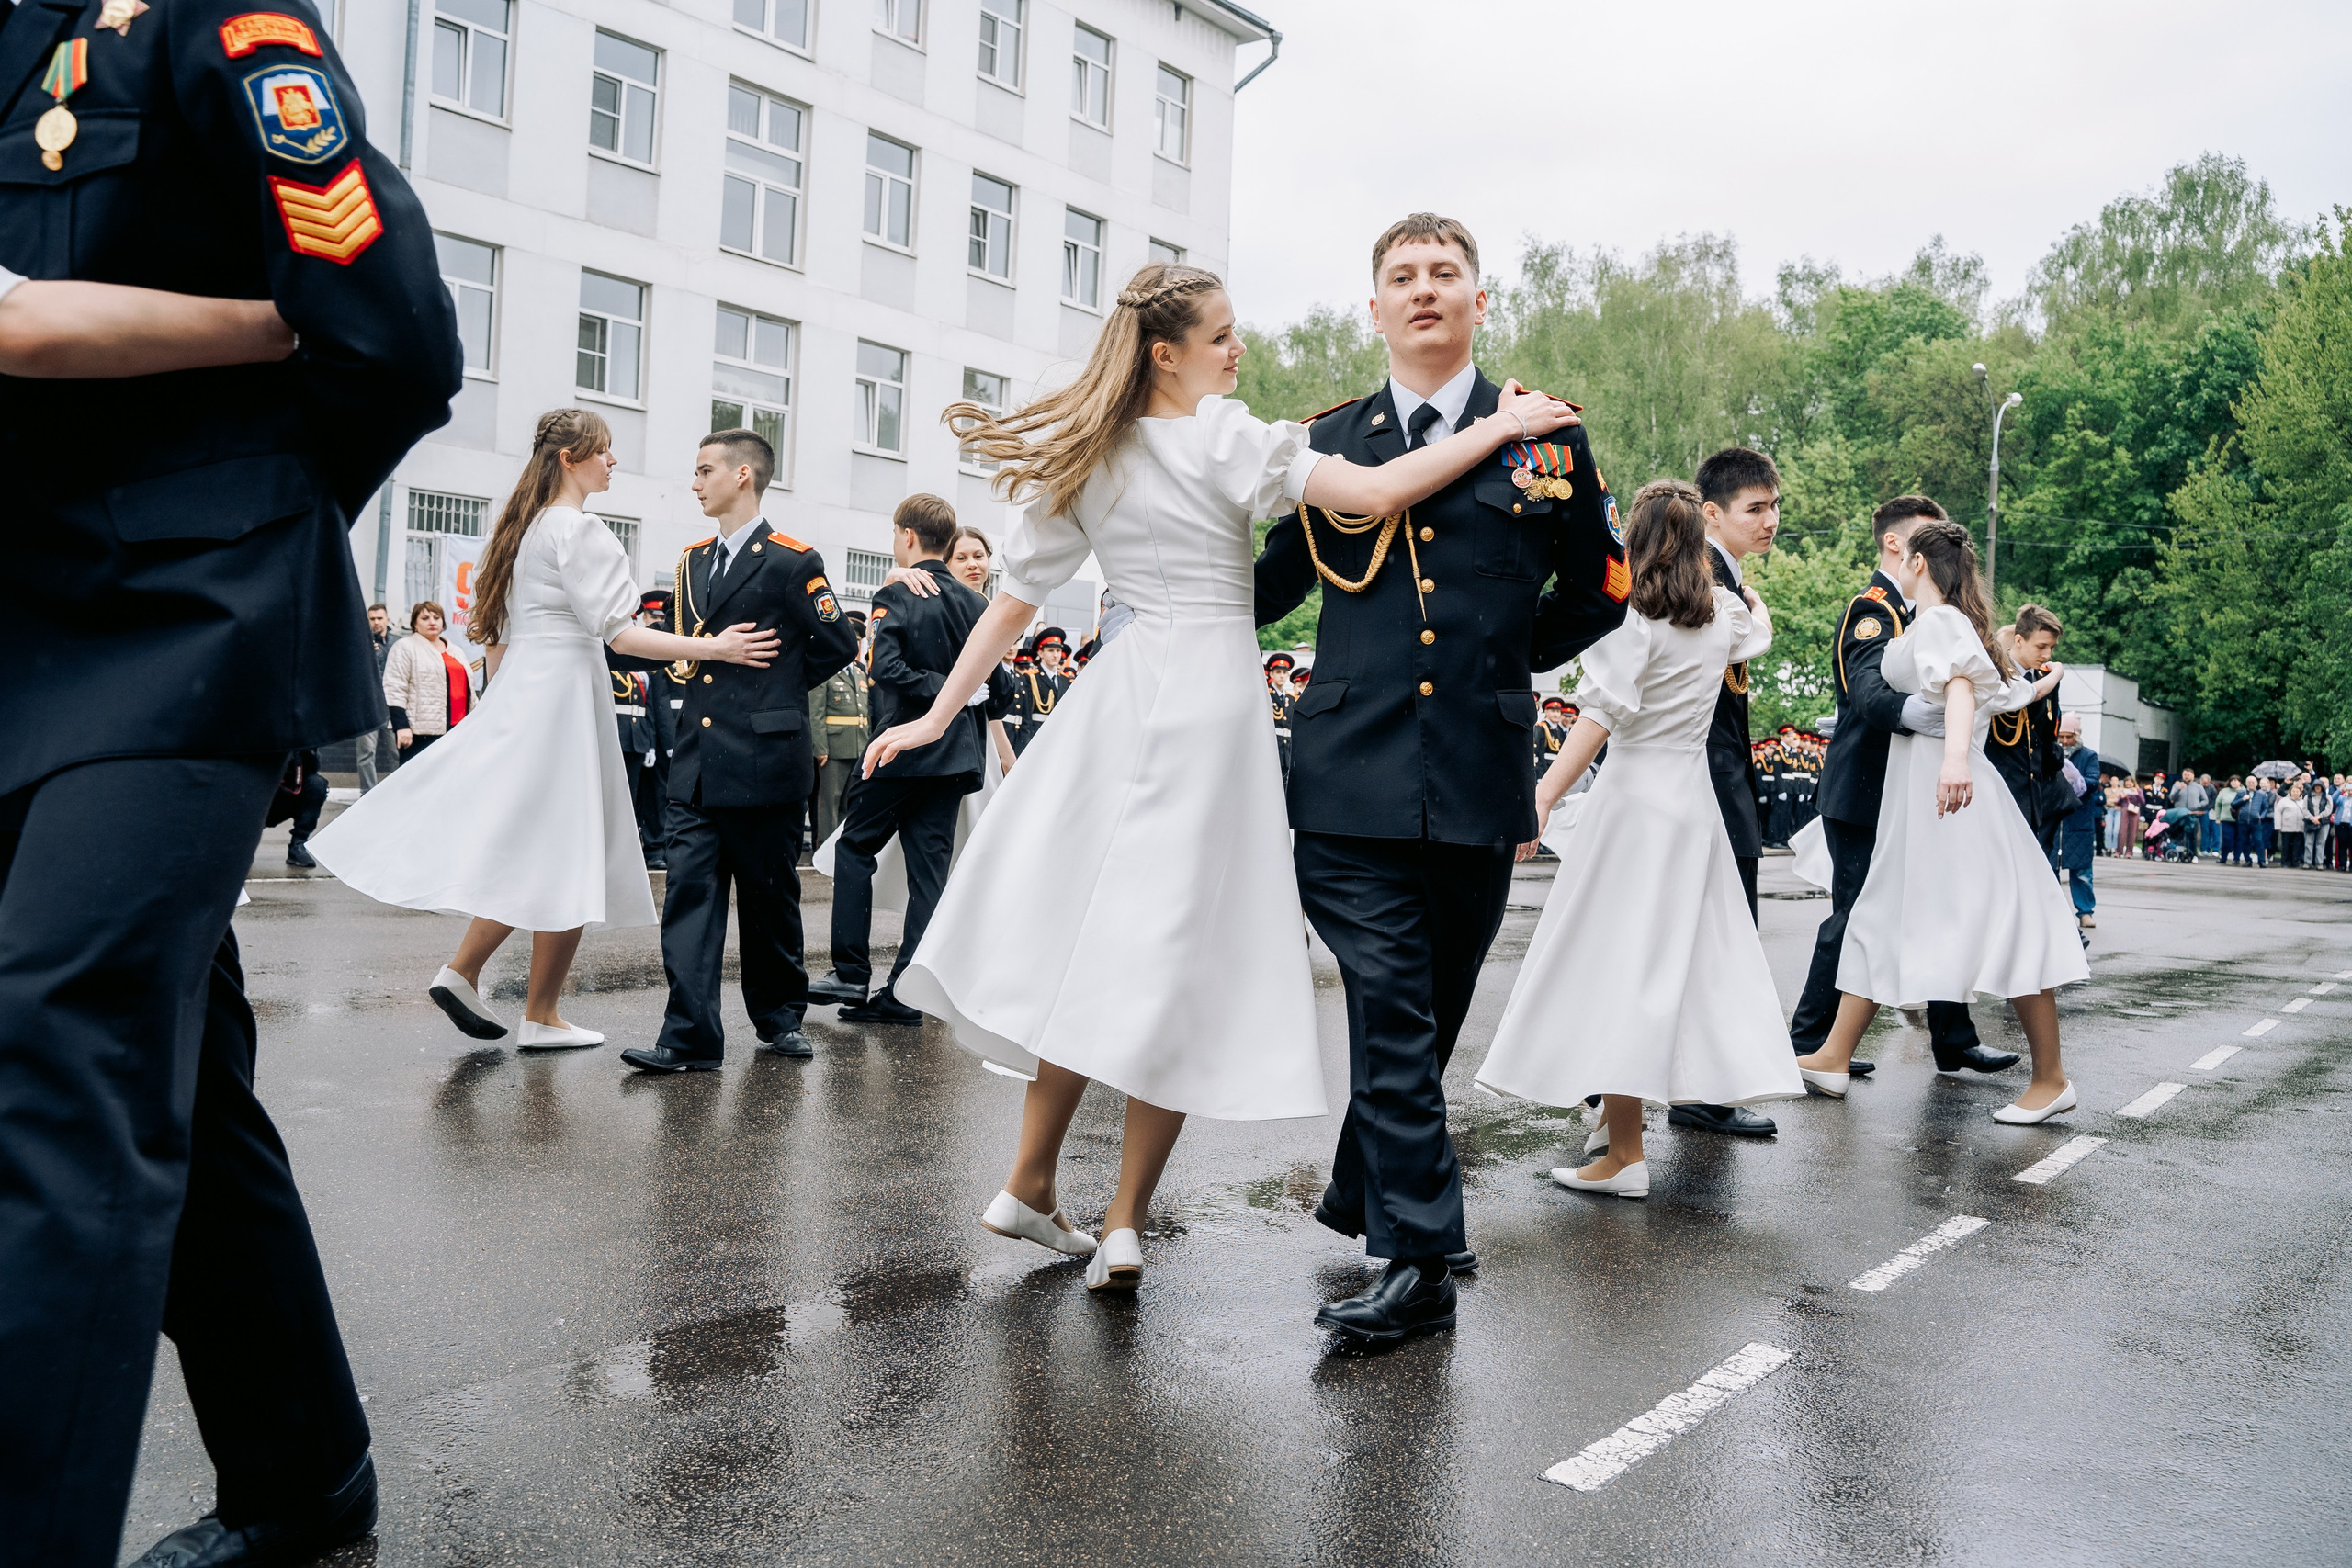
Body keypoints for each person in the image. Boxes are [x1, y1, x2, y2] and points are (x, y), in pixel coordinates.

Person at [863, 256, 1590, 1311]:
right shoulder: (1228, 437)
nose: (1239, 349)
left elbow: (1014, 599)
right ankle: (1119, 1222)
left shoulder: (1097, 452)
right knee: (1179, 959)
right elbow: (1380, 490)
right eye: (1222, 337)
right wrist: (1497, 430)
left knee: (1091, 942)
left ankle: (1031, 1183)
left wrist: (936, 714)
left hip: (1118, 700)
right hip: (1208, 706)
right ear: (1170, 353)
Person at [0, 8, 467, 1559]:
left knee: (56, 1043)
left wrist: (247, 531)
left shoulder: (206, 16)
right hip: (20, 618)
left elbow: (387, 329)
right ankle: (304, 1475)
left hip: (184, 610)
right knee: (167, 1067)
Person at [1254, 215, 1630, 1342]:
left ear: (1476, 299)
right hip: (1346, 769)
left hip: (1474, 762)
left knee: (1435, 1002)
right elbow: (1263, 590)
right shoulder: (1329, 441)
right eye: (1400, 278)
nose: (1423, 291)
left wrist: (1500, 661)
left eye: (1443, 275)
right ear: (1372, 308)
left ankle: (1366, 1189)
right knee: (1389, 1000)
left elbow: (1599, 590)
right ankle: (1416, 1253)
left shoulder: (1547, 442)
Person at [314, 411, 778, 1052]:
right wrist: (715, 648)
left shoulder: (524, 531)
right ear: (571, 458)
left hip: (528, 692)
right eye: (605, 452)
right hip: (565, 697)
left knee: (544, 849)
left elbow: (499, 643)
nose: (613, 462)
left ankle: (495, 986)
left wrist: (505, 713)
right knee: (571, 850)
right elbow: (621, 634)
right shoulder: (580, 531)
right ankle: (532, 1008)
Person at [1476, 480, 1803, 1197]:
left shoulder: (1633, 619)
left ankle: (1624, 1152)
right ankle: (1611, 1129)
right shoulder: (1719, 615)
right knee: (1666, 969)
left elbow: (1601, 715)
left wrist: (1542, 794)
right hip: (1691, 807)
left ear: (1640, 544)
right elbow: (1760, 627)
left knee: (1620, 968)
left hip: (1633, 806)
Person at [1795, 520, 2085, 1123]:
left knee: (2005, 924)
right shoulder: (1940, 623)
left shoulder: (1940, 623)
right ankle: (1832, 1054)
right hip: (1923, 804)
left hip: (1948, 802)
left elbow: (1960, 688)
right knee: (1879, 917)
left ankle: (2051, 1079)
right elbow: (1995, 695)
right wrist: (2034, 692)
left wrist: (1955, 757)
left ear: (1921, 563)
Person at [616, 431, 862, 1073]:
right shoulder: (692, 559)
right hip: (697, 759)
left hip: (764, 757)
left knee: (768, 896)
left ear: (743, 475)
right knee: (689, 897)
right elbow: (686, 643)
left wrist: (775, 689)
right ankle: (690, 1035)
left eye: (704, 470)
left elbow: (838, 643)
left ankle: (780, 1017)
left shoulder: (790, 559)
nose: (694, 482)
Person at [1785, 498, 2021, 1079]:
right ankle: (1808, 1041)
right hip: (1865, 788)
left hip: (1906, 787)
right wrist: (1923, 711)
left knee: (1930, 909)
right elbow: (1865, 690)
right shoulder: (1874, 608)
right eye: (1927, 538)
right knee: (1857, 916)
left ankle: (1952, 1037)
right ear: (1898, 546)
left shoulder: (1926, 611)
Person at [809, 495, 1013, 1025]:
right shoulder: (977, 604)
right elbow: (1003, 690)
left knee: (855, 847)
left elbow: (886, 666)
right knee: (930, 877)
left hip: (900, 750)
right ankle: (905, 996)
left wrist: (943, 689)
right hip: (956, 760)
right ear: (947, 543)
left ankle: (851, 973)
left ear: (905, 536)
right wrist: (964, 692)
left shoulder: (897, 590)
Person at [1986, 604, 2068, 864]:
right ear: (2018, 641)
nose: (2047, 654)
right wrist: (2055, 675)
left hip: (2032, 795)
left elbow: (2045, 736)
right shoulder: (1993, 673)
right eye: (2041, 646)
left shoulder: (2045, 678)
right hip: (1998, 789)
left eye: (2052, 648)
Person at [382, 600, 476, 757]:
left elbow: (470, 690)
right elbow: (394, 688)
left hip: (458, 729)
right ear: (415, 624)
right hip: (421, 731)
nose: (432, 622)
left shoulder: (456, 651)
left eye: (437, 617)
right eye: (425, 618)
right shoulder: (405, 647)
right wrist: (401, 726)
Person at [808, 627, 871, 848]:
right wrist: (820, 747)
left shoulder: (860, 673)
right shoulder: (826, 671)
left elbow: (865, 713)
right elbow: (816, 713)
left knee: (848, 800)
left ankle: (842, 845)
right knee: (829, 801)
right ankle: (825, 846)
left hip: (858, 745)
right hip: (833, 747)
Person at [2056, 714, 2100, 931]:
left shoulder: (2089, 756)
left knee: (2081, 870)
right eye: (2061, 736)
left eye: (2069, 737)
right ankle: (2051, 911)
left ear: (2077, 735)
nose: (2064, 741)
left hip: (2079, 820)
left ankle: (2085, 912)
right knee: (2048, 867)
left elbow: (2094, 781)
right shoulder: (2050, 753)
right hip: (2055, 819)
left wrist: (2077, 779)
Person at [358, 605, 398, 791]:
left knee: (396, 751)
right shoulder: (360, 642)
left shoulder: (397, 642)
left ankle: (401, 792)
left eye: (379, 618)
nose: (376, 622)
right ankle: (367, 794)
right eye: (372, 619)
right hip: (368, 704)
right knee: (366, 753)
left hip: (392, 703)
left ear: (387, 619)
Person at [279, 749, 330, 869]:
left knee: (316, 784)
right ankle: (241, 846)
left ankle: (298, 844)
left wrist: (308, 750)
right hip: (259, 798)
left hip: (288, 794)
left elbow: (314, 768)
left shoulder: (298, 735)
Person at [1267, 651, 1298, 780]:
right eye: (1278, 672)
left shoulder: (1291, 698)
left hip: (1287, 751)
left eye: (1284, 673)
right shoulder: (1266, 695)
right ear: (1271, 674)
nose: (1282, 676)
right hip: (1272, 748)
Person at [2277, 784, 2309, 867]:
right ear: (2290, 792)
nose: (2295, 793)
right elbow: (2278, 813)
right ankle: (2285, 862)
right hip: (2286, 828)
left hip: (2299, 828)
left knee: (2297, 847)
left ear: (2300, 793)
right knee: (2286, 846)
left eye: (2297, 791)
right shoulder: (2284, 801)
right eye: (2293, 791)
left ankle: (2295, 862)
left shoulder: (2303, 802)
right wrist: (2278, 826)